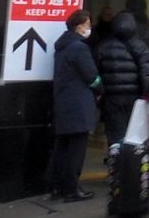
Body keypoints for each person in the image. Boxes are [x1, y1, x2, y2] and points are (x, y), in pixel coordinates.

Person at [48, 10, 100, 202]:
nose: (89, 28)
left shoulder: (62, 46)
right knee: (76, 150)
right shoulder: (79, 48)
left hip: (63, 102)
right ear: (79, 27)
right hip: (79, 104)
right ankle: (71, 189)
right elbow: (92, 76)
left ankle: (57, 187)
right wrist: (100, 88)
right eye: (88, 25)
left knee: (62, 148)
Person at [97, 10, 149, 147]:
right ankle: (129, 161)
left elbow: (97, 71)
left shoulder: (103, 46)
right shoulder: (140, 46)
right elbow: (146, 74)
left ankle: (114, 158)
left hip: (111, 97)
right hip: (133, 97)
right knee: (134, 132)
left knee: (115, 131)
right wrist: (148, 95)